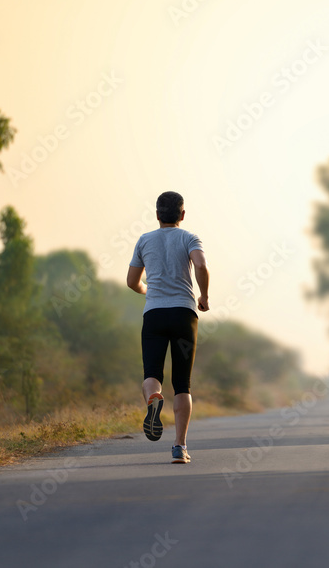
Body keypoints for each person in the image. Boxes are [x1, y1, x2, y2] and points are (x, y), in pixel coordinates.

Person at [127, 191, 209, 464]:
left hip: (154, 315)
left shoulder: (144, 240)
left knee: (151, 373)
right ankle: (179, 447)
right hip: (184, 316)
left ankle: (153, 398)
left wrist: (147, 290)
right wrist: (204, 296)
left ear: (157, 215)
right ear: (182, 215)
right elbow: (200, 265)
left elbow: (131, 282)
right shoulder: (189, 238)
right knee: (182, 384)